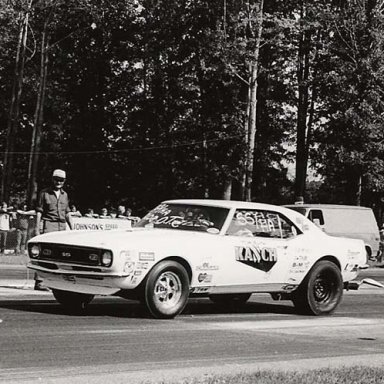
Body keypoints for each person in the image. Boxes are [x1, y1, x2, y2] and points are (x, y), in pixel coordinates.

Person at [34, 169, 73, 289]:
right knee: (46, 254)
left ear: (64, 181)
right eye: (56, 179)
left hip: (61, 226)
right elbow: (39, 212)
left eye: (61, 180)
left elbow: (67, 213)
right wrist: (37, 228)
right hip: (49, 224)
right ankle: (39, 281)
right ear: (52, 179)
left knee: (61, 255)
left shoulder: (64, 194)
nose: (58, 182)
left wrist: (72, 228)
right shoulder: (44, 193)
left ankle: (56, 283)